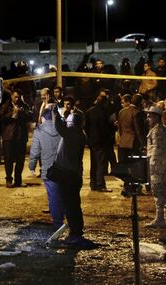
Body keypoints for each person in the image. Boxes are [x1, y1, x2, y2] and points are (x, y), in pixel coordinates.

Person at [51, 106, 95, 248]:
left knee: (72, 205)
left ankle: (75, 233)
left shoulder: (74, 134)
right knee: (72, 204)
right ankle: (75, 231)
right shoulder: (78, 133)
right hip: (72, 174)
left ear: (74, 122)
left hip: (69, 175)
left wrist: (56, 113)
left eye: (70, 119)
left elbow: (59, 127)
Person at [28, 104, 64, 229]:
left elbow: (35, 151)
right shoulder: (62, 129)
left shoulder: (39, 131)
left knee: (53, 196)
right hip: (64, 167)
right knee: (64, 194)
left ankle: (58, 223)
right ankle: (66, 218)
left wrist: (32, 166)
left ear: (43, 118)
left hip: (49, 169)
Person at [144, 106, 166, 228]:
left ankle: (160, 218)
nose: (147, 118)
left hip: (158, 164)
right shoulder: (165, 129)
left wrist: (152, 162)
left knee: (157, 190)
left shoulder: (156, 131)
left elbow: (157, 148)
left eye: (150, 116)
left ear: (156, 117)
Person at [0, 89, 31, 188]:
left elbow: (30, 116)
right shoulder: (6, 106)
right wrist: (12, 114)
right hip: (8, 137)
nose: (17, 99)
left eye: (18, 97)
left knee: (20, 160)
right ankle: (9, 180)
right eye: (15, 96)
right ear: (11, 96)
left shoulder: (24, 106)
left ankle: (18, 180)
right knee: (8, 160)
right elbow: (1, 119)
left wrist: (21, 112)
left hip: (20, 137)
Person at [85, 95, 114, 192]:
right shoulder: (104, 112)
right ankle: (100, 184)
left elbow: (86, 127)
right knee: (101, 163)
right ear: (104, 102)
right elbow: (105, 128)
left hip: (92, 141)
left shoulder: (89, 111)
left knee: (94, 163)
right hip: (101, 141)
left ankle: (93, 184)